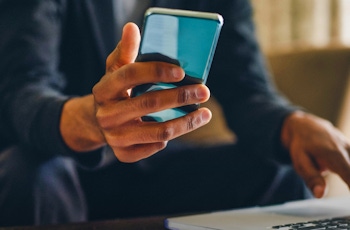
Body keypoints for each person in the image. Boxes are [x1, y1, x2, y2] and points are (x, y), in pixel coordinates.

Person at [0, 0, 349, 227]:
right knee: (32, 173)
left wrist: (292, 123)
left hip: (154, 167)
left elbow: (246, 89)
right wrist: (93, 121)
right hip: (65, 162)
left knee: (278, 171)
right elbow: (22, 89)